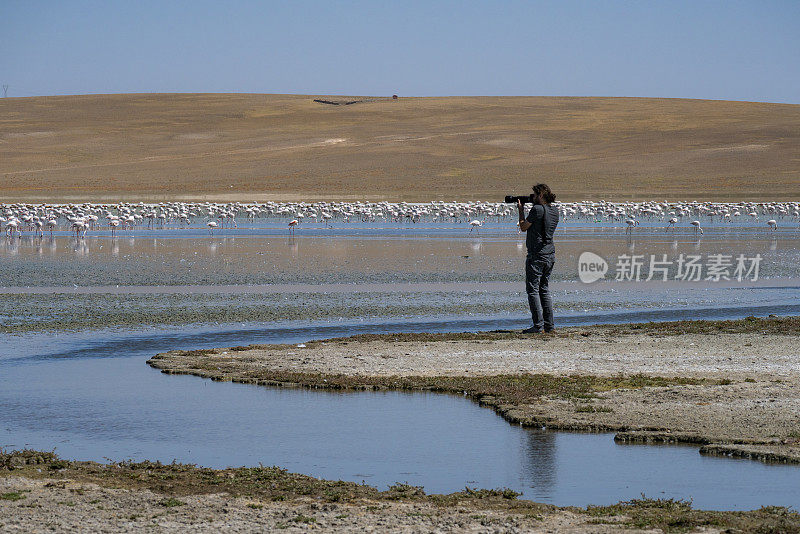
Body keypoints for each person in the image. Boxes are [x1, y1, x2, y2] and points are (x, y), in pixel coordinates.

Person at [517, 184, 559, 333]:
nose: (532, 198)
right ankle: (549, 326)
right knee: (544, 289)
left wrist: (521, 211)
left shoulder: (537, 210)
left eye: (534, 195)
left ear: (540, 195)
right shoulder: (555, 211)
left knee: (533, 290)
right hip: (550, 255)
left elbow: (523, 227)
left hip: (536, 255)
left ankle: (538, 326)